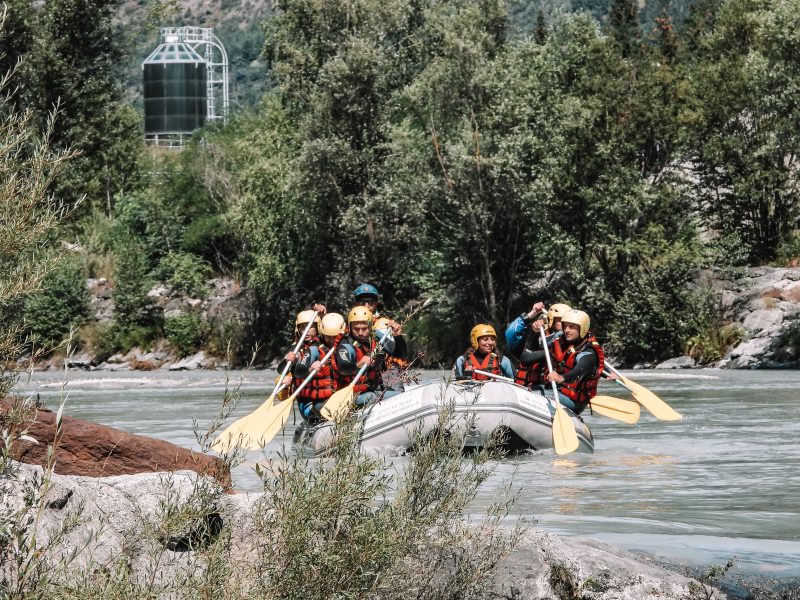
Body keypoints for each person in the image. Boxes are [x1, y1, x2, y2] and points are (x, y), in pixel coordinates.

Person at [520, 309, 605, 414]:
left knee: (532, 394)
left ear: (582, 328)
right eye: (565, 326)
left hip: (574, 401)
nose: (567, 330)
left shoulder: (588, 354)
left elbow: (577, 373)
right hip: (555, 390)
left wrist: (561, 378)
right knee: (522, 391)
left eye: (572, 327)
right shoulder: (559, 337)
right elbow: (525, 359)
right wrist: (535, 332)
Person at [333, 306, 401, 407]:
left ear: (370, 327)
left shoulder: (376, 337)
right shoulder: (345, 345)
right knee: (372, 397)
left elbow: (398, 353)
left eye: (364, 329)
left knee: (398, 395)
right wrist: (358, 365)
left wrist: (397, 337)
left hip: (372, 389)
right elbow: (343, 368)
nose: (360, 333)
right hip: (351, 395)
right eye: (356, 329)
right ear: (350, 327)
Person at [293, 312, 346, 422]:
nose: (332, 340)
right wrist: (310, 369)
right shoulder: (313, 349)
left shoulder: (344, 347)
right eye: (302, 328)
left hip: (336, 397)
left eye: (310, 327)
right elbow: (297, 373)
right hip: (312, 402)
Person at [509, 303, 571, 390]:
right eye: (562, 321)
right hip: (526, 389)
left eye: (569, 322)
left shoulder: (567, 340)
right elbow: (524, 357)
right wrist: (532, 314)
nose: (566, 325)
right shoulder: (539, 334)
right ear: (551, 319)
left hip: (548, 391)